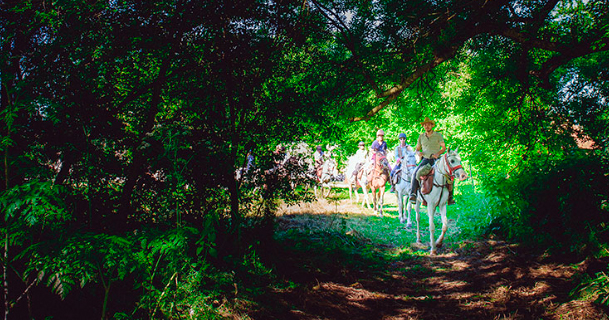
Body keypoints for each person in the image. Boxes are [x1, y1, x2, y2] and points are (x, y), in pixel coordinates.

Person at [409, 117, 455, 205]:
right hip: (426, 159)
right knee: (415, 173)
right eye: (425, 125)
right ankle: (413, 194)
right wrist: (419, 153)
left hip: (437, 159)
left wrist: (438, 153)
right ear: (423, 126)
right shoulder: (421, 136)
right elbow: (417, 149)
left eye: (428, 124)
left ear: (432, 125)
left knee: (449, 174)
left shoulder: (438, 135)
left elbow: (444, 148)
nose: (426, 126)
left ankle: (450, 196)